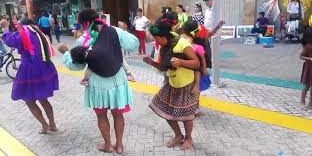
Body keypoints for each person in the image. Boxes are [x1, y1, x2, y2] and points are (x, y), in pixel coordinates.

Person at [58, 9, 139, 154]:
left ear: (84, 24)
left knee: (101, 115)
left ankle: (108, 145)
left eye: (80, 24)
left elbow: (77, 65)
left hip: (97, 83)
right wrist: (122, 31)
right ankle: (119, 145)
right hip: (117, 81)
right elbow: (133, 44)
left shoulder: (82, 40)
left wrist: (65, 53)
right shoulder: (114, 31)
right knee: (118, 114)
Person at [143, 19, 200, 150]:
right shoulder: (164, 47)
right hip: (171, 83)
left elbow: (196, 63)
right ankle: (178, 135)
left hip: (186, 85)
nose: (156, 42)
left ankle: (188, 138)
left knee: (187, 116)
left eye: (157, 39)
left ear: (164, 36)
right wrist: (151, 62)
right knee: (164, 109)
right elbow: (163, 67)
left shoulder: (182, 43)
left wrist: (181, 62)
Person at [0, 18, 58, 134]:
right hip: (43, 68)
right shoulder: (39, 33)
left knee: (29, 101)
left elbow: (10, 41)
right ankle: (52, 124)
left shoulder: (24, 33)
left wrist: (5, 28)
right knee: (43, 99)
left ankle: (44, 125)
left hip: (29, 71)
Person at [203, 0, 225, 71]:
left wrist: (218, 28)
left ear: (212, 1)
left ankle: (215, 62)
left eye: (207, 1)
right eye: (205, 1)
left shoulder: (216, 9)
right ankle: (209, 61)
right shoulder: (207, 9)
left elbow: (220, 20)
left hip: (214, 31)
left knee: (214, 47)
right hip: (207, 31)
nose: (206, 2)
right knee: (207, 47)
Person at [300, 27, 312, 110]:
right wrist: (310, 59)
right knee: (307, 86)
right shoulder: (308, 46)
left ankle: (311, 102)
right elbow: (301, 56)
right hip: (310, 68)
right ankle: (302, 101)